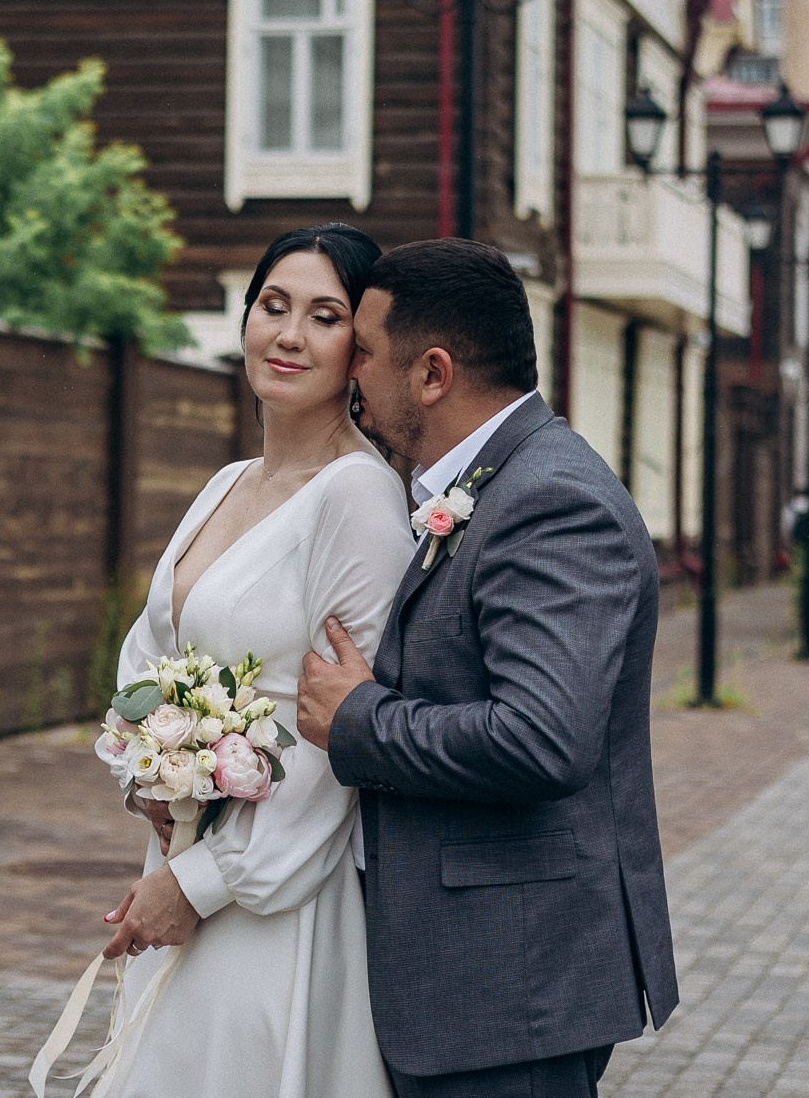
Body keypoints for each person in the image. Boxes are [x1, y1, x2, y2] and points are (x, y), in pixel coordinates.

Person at [298, 239, 678, 1098]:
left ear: (431, 374)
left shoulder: (551, 499)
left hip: (512, 989)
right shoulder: (487, 483)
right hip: (474, 982)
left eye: (361, 349)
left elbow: (542, 740)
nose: (346, 371)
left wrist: (359, 718)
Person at [89, 223, 411, 1098]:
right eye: (273, 306)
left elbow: (341, 734)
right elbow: (149, 656)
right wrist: (145, 774)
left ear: (360, 350)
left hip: (277, 893)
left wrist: (201, 883)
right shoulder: (225, 483)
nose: (290, 335)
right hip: (186, 845)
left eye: (323, 315)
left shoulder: (360, 498)